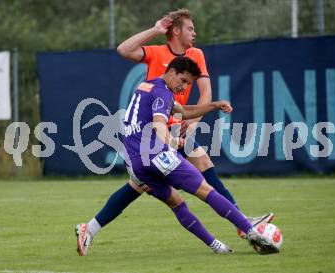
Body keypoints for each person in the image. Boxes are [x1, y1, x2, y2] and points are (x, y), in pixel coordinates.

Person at [76, 9, 273, 255]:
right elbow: (124, 51)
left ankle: (90, 229)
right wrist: (155, 30)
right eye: (190, 28)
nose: (194, 32)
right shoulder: (159, 65)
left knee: (168, 191)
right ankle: (245, 226)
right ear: (176, 31)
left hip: (140, 148)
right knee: (202, 187)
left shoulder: (185, 62)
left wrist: (206, 111)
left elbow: (192, 100)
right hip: (160, 140)